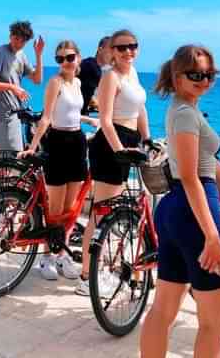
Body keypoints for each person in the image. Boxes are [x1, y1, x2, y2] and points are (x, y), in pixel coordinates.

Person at [139, 45, 220, 358]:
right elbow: (190, 176)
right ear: (177, 76)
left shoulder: (184, 109)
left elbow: (209, 163)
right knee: (212, 324)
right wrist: (212, 235)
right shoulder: (186, 114)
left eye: (209, 74)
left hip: (174, 212)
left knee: (163, 311)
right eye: (195, 74)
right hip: (196, 212)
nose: (204, 80)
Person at [77, 29, 150, 296]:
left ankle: (98, 268)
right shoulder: (111, 77)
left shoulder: (133, 74)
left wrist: (148, 139)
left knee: (109, 211)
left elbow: (141, 109)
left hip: (128, 141)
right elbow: (106, 119)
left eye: (132, 46)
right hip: (110, 143)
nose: (128, 51)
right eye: (121, 48)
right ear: (112, 51)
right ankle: (86, 276)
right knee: (100, 214)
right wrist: (120, 150)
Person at [18, 40, 99, 281]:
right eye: (60, 59)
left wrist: (89, 120)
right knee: (54, 209)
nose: (65, 62)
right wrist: (32, 147)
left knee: (70, 208)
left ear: (78, 58)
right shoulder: (55, 82)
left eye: (69, 57)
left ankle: (62, 254)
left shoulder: (78, 82)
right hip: (57, 143)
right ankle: (47, 257)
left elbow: (71, 112)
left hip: (77, 142)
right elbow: (47, 118)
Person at [0, 20, 44, 151]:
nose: (19, 44)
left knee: (12, 160)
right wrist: (12, 87)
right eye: (16, 39)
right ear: (10, 36)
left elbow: (37, 80)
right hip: (2, 115)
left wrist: (38, 55)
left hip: (16, 115)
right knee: (5, 161)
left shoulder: (21, 55)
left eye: (23, 41)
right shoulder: (0, 53)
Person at [78, 35, 112, 114]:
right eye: (110, 51)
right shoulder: (92, 67)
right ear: (100, 50)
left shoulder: (89, 63)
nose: (113, 55)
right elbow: (89, 98)